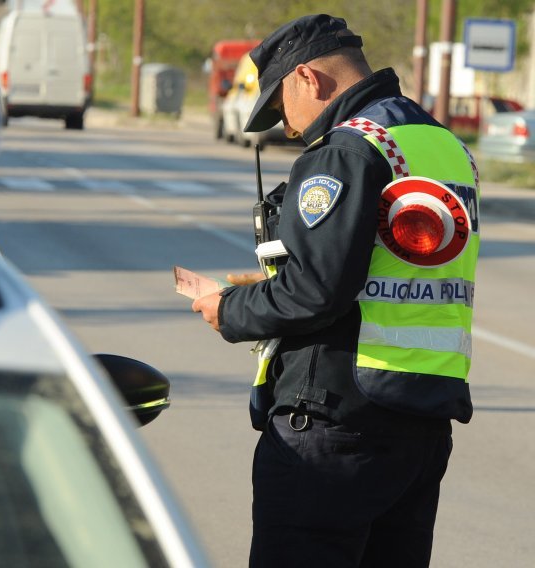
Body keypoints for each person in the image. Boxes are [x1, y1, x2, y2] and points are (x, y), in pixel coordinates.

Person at [191, 14, 479, 568]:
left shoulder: (345, 150)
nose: (290, 128)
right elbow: (388, 270)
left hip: (334, 428)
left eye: (282, 108)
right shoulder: (439, 143)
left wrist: (230, 310)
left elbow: (316, 293)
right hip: (421, 424)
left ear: (309, 78)